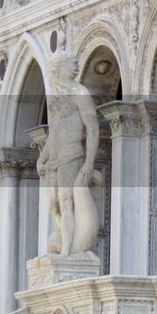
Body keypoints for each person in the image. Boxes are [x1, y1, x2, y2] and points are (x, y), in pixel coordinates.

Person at [37, 51, 100, 256]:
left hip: (72, 154)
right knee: (54, 206)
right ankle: (65, 241)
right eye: (71, 65)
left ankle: (67, 251)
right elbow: (54, 132)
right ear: (59, 69)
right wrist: (42, 157)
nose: (75, 68)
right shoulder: (56, 96)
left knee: (66, 201)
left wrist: (89, 162)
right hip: (54, 158)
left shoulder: (79, 93)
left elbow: (92, 128)